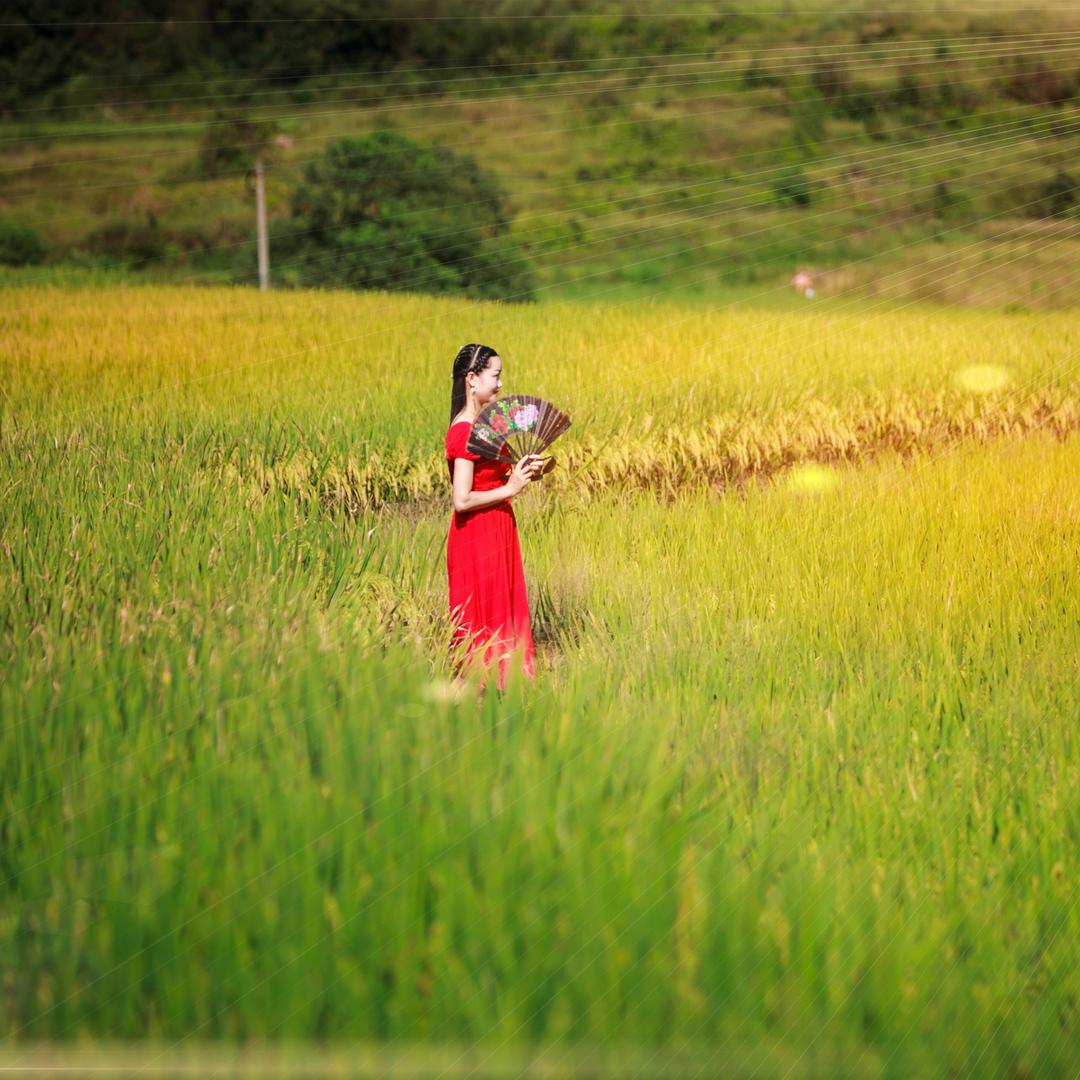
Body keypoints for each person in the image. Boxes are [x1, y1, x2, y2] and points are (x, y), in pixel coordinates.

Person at [445, 343, 545, 690]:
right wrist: (510, 489)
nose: (501, 384)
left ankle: (502, 693)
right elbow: (461, 499)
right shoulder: (464, 431)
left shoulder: (485, 426)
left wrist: (520, 472)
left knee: (501, 612)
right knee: (481, 622)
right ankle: (475, 696)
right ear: (472, 379)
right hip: (476, 533)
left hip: (499, 525)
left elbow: (494, 478)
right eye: (496, 375)